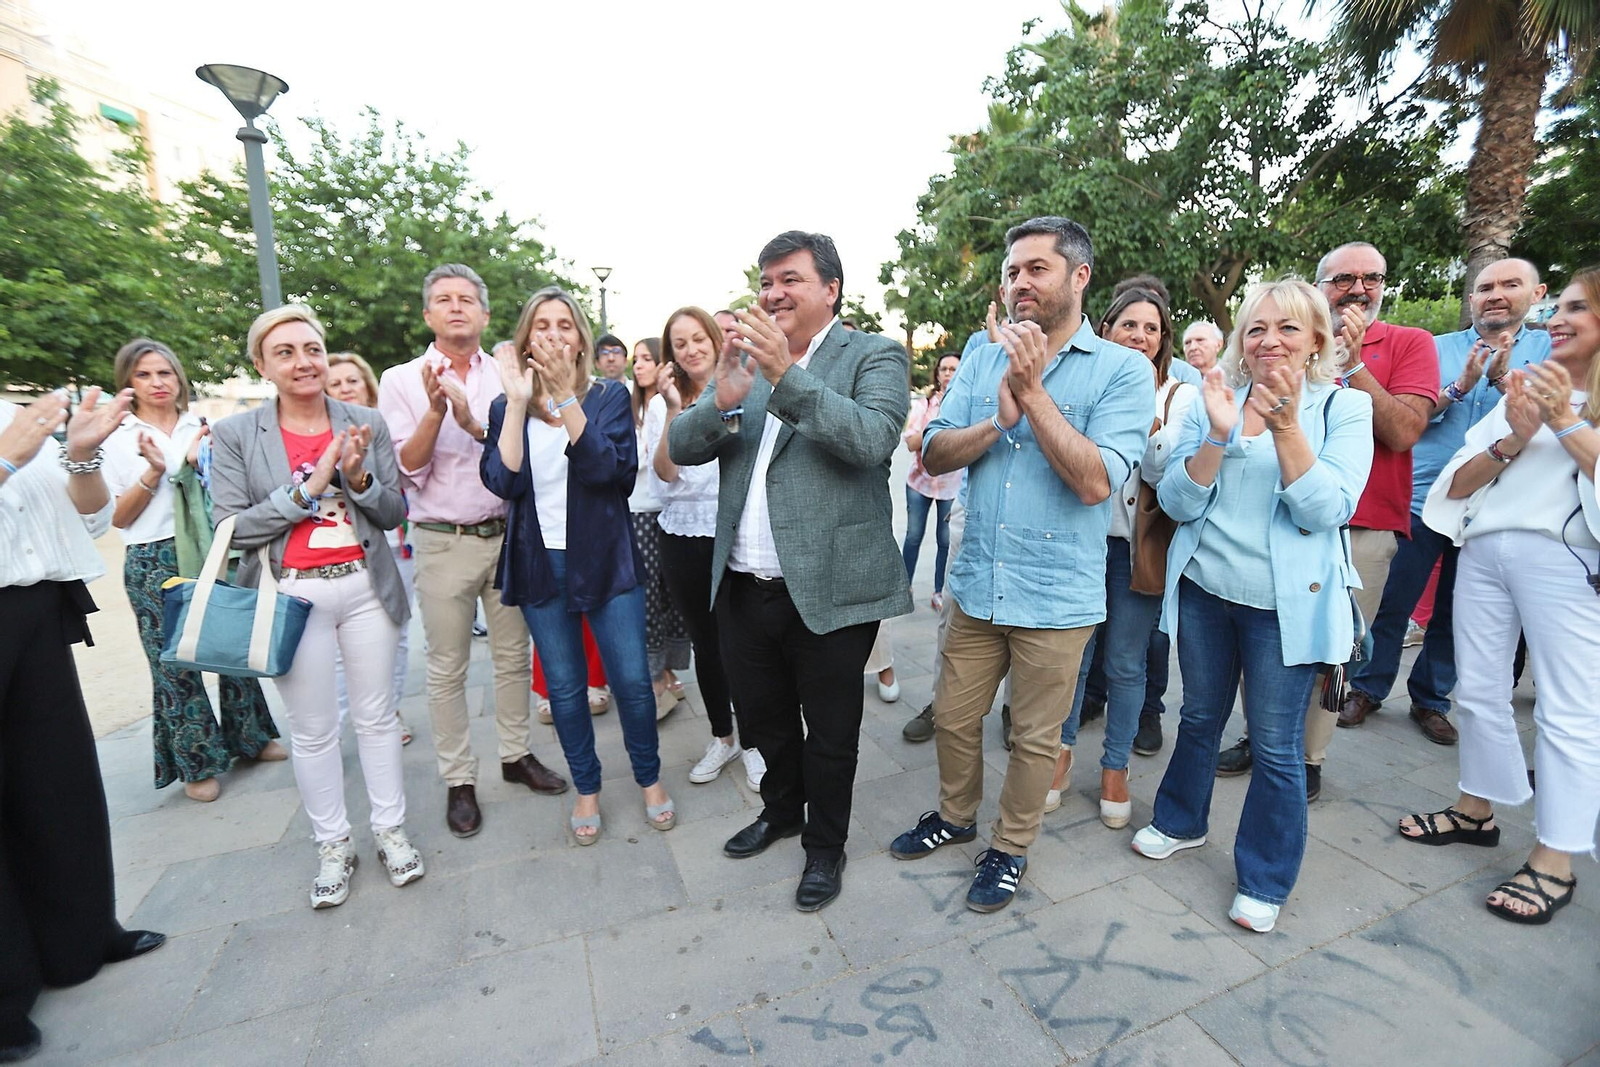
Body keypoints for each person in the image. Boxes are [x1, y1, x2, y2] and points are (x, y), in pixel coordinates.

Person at [888, 216, 1152, 914]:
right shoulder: (981, 356)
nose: (1019, 283)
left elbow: (1098, 483)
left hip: (1058, 598)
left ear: (1079, 276)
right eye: (1011, 271)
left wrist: (1032, 394)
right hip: (976, 586)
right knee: (952, 715)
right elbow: (934, 453)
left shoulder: (1123, 370)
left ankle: (1008, 848)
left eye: (1036, 268)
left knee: (1036, 740)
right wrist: (997, 424)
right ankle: (954, 814)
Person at [669, 231, 911, 911]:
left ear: (830, 288)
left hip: (831, 592)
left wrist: (786, 376)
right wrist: (721, 396)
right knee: (766, 722)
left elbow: (869, 441)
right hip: (744, 589)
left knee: (831, 734)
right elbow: (683, 445)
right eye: (765, 281)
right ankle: (780, 810)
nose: (772, 293)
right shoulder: (742, 362)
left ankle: (825, 846)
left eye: (790, 280)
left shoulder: (875, 355)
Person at [1131, 279, 1374, 934]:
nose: (1269, 339)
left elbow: (1328, 507)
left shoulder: (1343, 409)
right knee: (1201, 713)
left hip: (1285, 609)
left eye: (1288, 327)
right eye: (1257, 327)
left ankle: (1266, 874)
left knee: (1273, 743)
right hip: (1208, 590)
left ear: (1318, 339)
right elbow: (1178, 502)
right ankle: (1180, 819)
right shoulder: (1215, 397)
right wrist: (1216, 433)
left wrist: (1289, 426)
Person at [211, 305, 425, 909]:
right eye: (285, 352)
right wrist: (308, 489)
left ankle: (390, 830)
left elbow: (393, 513)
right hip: (291, 597)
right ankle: (334, 845)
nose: (303, 361)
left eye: (311, 348)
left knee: (378, 717)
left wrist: (357, 480)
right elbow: (231, 528)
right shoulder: (235, 435)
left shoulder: (365, 421)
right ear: (261, 364)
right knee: (311, 732)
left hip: (364, 586)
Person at [1406, 268, 1600, 925]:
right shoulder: (1524, 387)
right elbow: (1458, 481)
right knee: (1480, 690)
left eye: (1577, 307)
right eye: (1561, 305)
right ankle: (1475, 809)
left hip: (1566, 563)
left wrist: (1565, 421)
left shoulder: (1575, 398)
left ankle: (1556, 856)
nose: (1558, 317)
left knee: (1569, 712)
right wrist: (1514, 435)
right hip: (1485, 551)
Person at [1216, 243, 1438, 801]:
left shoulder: (1409, 342)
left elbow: (1405, 431)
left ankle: (1308, 756)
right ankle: (1260, 736)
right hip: (1279, 522)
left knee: (1326, 653)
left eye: (1370, 278)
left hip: (1361, 523)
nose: (1356, 289)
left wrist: (1350, 364)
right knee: (1264, 647)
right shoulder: (1271, 348)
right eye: (1342, 279)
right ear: (1322, 286)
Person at [1, 386, 167, 1064]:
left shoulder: (9, 406)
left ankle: (82, 935)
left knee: (56, 780)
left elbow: (90, 516)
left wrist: (79, 456)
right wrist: (6, 463)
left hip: (34, 608)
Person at [379, 264, 564, 841]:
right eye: (443, 299)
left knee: (513, 655)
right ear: (428, 314)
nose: (456, 307)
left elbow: (526, 447)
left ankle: (515, 755)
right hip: (442, 539)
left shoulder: (509, 371)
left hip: (509, 535)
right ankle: (459, 779)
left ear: (485, 314)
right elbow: (406, 464)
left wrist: (476, 422)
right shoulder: (401, 379)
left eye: (467, 299)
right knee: (446, 667)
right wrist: (438, 410)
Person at [482, 287, 671, 845]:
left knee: (633, 683)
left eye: (565, 324)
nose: (554, 334)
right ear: (526, 339)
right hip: (540, 565)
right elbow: (503, 482)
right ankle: (587, 787)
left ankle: (649, 779)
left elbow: (609, 473)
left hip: (605, 561)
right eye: (542, 325)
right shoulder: (504, 407)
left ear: (582, 340)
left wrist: (567, 401)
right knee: (564, 689)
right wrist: (518, 402)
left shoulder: (608, 397)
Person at [1341, 259, 1549, 743]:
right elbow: (1406, 417)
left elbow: (1547, 425)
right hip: (1424, 500)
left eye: (1509, 285)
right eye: (1484, 287)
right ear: (1471, 299)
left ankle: (1431, 699)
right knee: (1393, 602)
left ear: (1536, 293)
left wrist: (1501, 382)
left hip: (1499, 508)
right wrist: (1460, 388)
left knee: (1459, 611)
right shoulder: (1431, 348)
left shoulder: (1551, 351)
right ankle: (1368, 689)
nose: (1495, 294)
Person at [102, 339, 284, 802]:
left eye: (165, 373)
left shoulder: (201, 424)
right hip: (151, 555)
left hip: (210, 546)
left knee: (230, 647)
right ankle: (196, 760)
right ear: (128, 382)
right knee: (173, 662)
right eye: (144, 375)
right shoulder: (118, 436)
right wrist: (156, 472)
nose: (158, 383)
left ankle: (251, 738)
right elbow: (117, 518)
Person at [1050, 285, 1197, 822]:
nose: (1140, 336)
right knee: (1074, 658)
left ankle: (1115, 766)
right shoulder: (1082, 379)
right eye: (1129, 325)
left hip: (1136, 550)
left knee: (1125, 662)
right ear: (1105, 328)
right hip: (1077, 541)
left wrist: (1149, 426)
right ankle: (1059, 753)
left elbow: (1168, 473)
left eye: (1151, 329)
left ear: (1163, 342)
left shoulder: (1179, 395)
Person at [654, 307, 766, 791]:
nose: (691, 349)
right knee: (706, 643)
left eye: (698, 337)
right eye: (680, 343)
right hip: (682, 535)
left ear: (714, 337)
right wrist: (673, 407)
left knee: (745, 644)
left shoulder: (744, 383)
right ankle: (724, 736)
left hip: (733, 529)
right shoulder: (665, 399)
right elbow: (665, 471)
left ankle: (758, 741)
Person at [326, 350, 415, 746]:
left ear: (367, 385)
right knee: (343, 650)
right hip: (341, 552)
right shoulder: (318, 433)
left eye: (352, 381)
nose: (345, 389)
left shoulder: (385, 427)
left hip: (395, 546)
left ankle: (388, 711)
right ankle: (351, 719)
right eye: (336, 383)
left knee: (396, 635)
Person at [625, 334, 691, 718]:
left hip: (668, 511)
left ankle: (667, 668)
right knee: (648, 596)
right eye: (637, 360)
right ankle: (653, 677)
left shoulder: (668, 402)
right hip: (637, 511)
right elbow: (632, 459)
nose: (639, 366)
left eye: (647, 358)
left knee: (670, 597)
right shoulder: (628, 405)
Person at [902, 352, 961, 611]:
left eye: (953, 369)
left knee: (945, 540)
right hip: (920, 482)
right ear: (937, 374)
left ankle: (939, 591)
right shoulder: (924, 405)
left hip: (951, 484)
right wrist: (936, 426)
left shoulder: (964, 404)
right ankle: (903, 587)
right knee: (913, 535)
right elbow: (911, 443)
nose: (948, 374)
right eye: (944, 369)